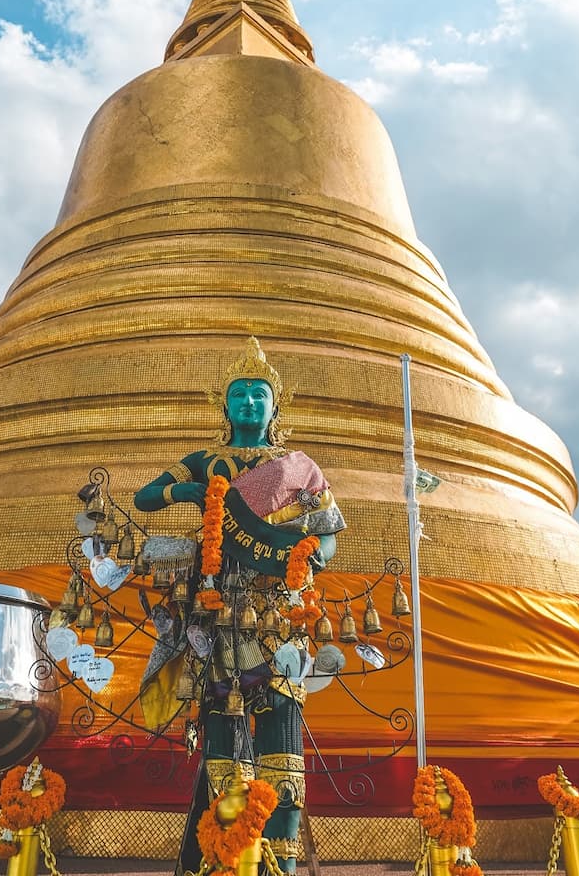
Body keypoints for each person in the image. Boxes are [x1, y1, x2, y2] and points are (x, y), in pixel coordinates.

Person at [133, 338, 345, 873]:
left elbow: (331, 538)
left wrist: (305, 550)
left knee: (283, 748)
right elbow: (144, 497)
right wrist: (195, 493)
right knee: (224, 747)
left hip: (278, 614)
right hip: (218, 614)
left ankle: (283, 864)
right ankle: (225, 859)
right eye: (240, 394)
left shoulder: (298, 468)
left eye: (259, 395)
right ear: (223, 406)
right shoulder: (206, 462)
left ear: (276, 407)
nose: (250, 402)